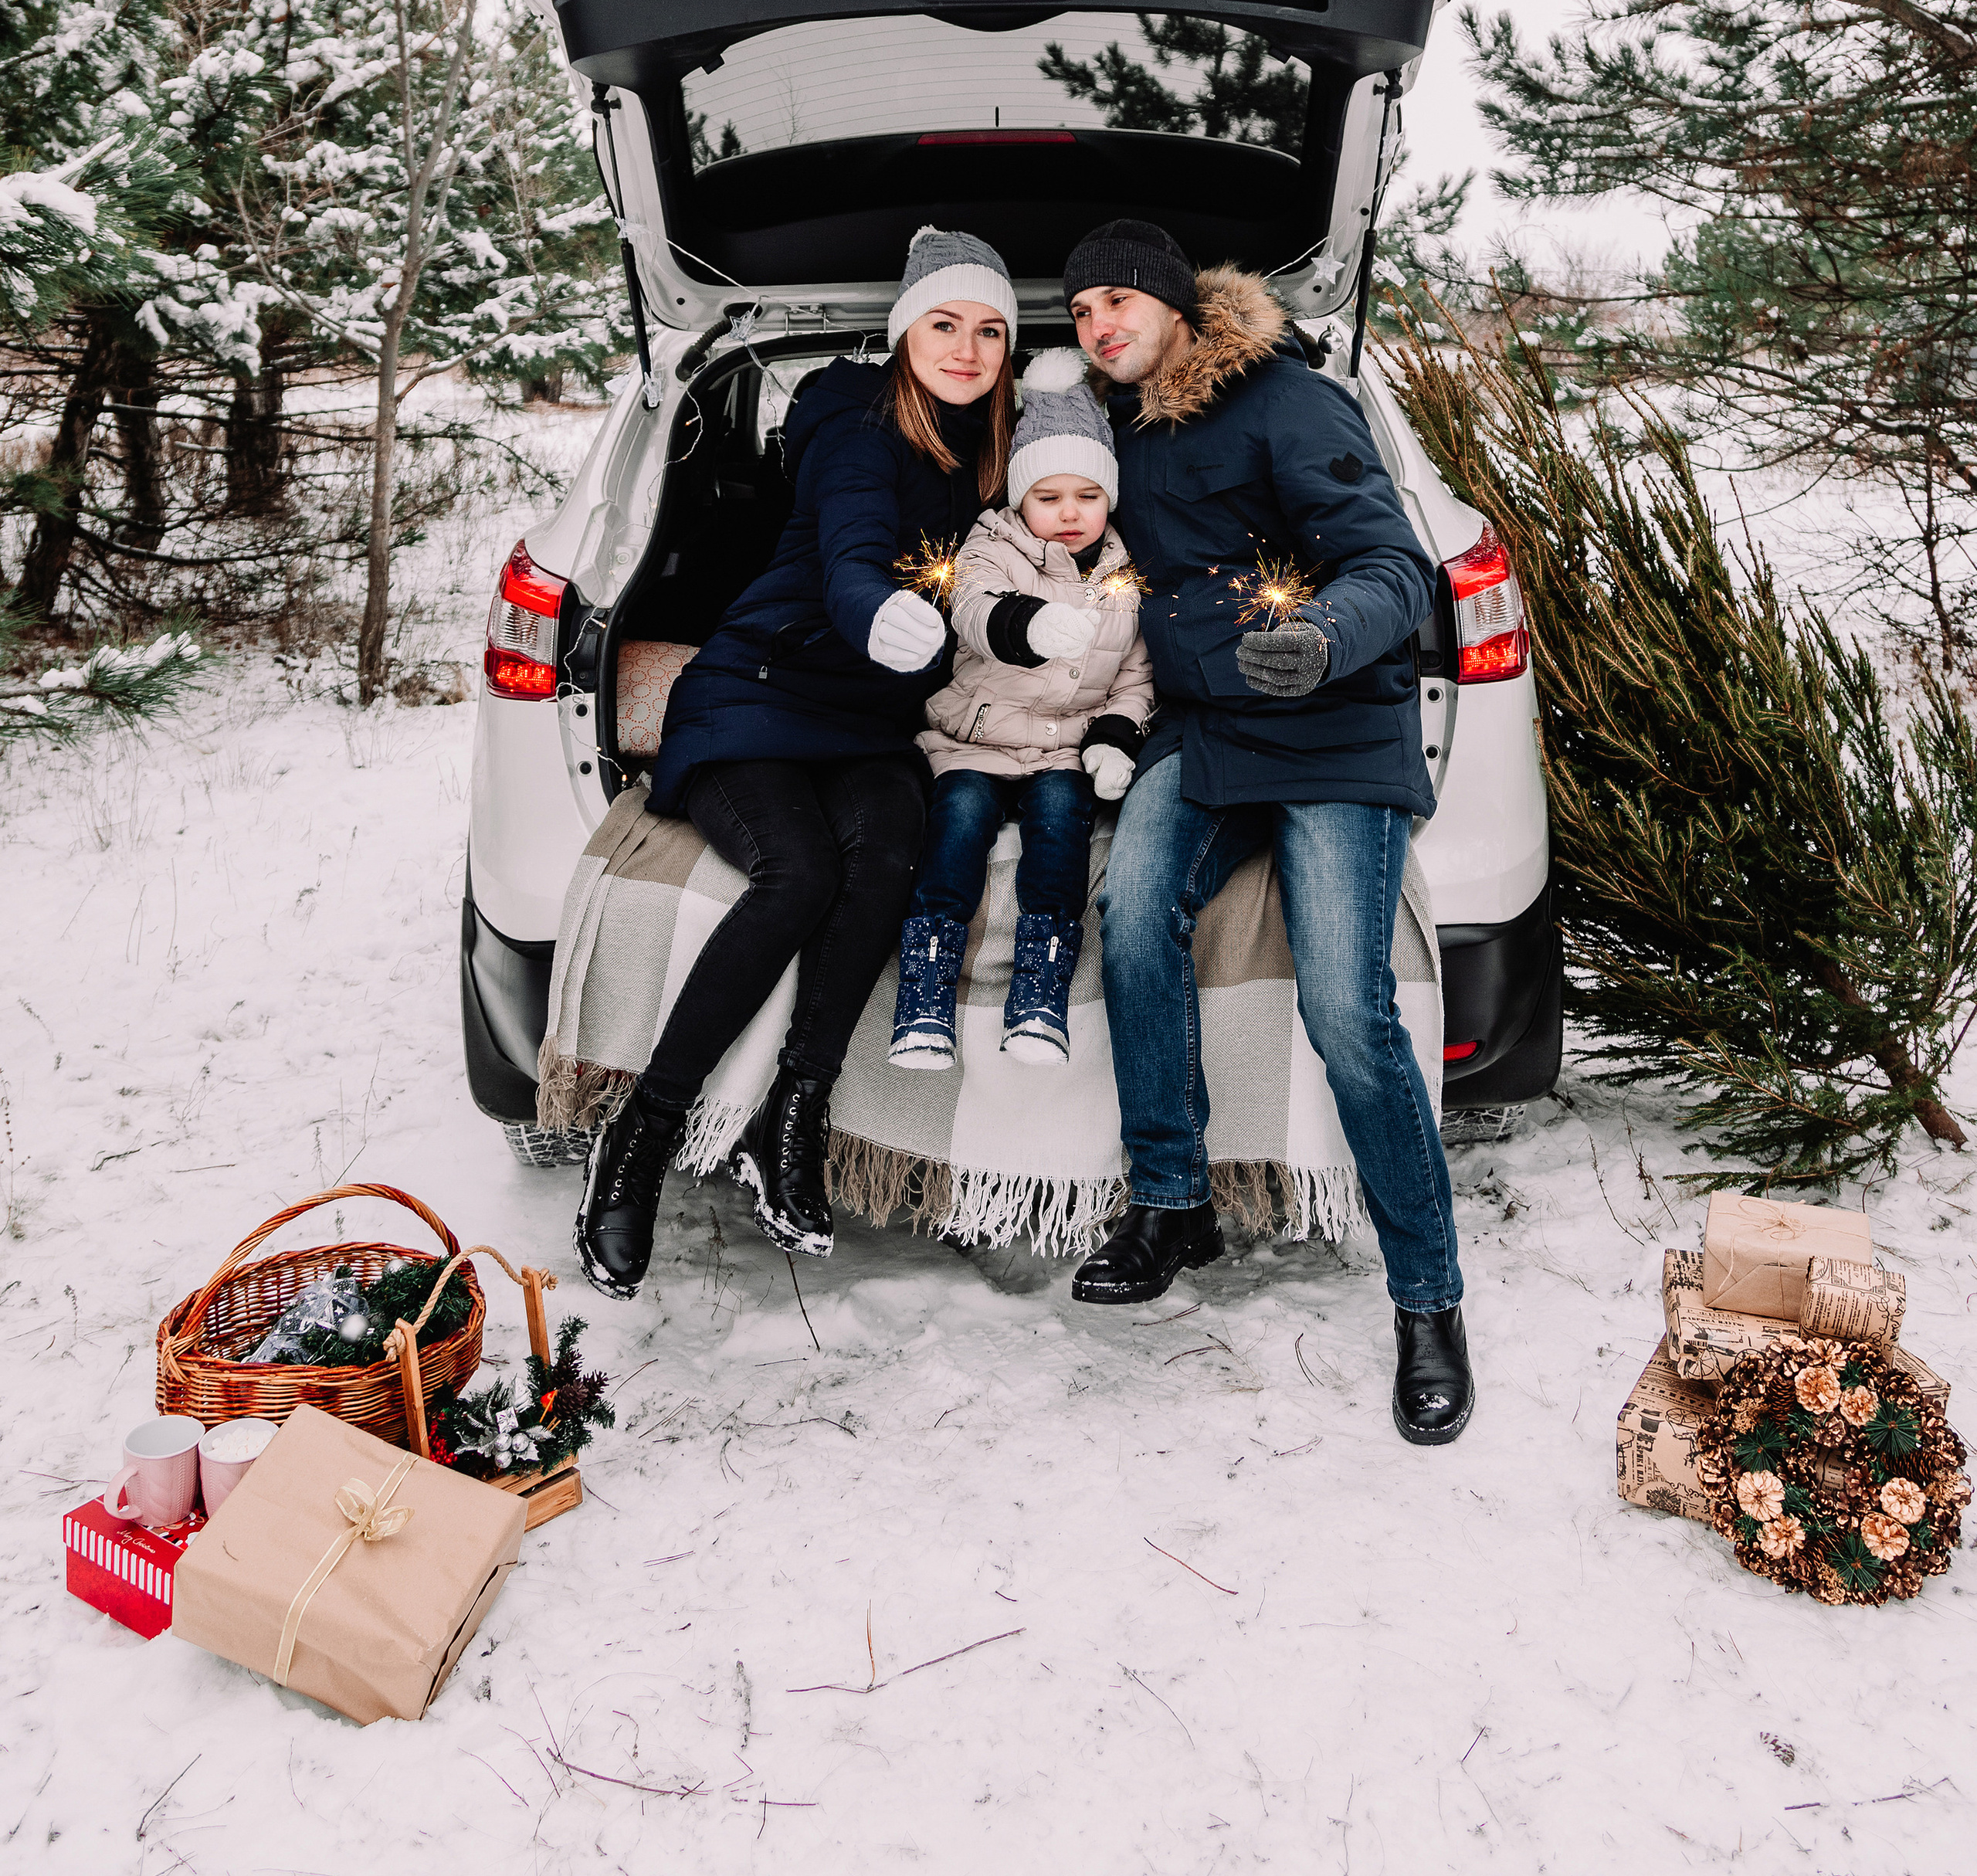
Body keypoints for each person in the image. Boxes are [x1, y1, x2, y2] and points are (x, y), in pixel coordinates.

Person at [1061, 217, 1473, 1448]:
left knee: (1346, 1008)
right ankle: (1172, 1202)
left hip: (1332, 726)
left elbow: (1395, 567)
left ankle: (1429, 1300)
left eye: (1119, 300)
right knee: (1134, 911)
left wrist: (1322, 636)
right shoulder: (1112, 434)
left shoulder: (1290, 402)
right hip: (1208, 731)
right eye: (1081, 312)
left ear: (1177, 305)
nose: (1099, 325)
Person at [573, 226, 1018, 1294]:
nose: (966, 349)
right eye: (944, 323)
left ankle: (794, 1113)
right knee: (800, 872)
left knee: (891, 848)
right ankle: (641, 1135)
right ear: (905, 332)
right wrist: (875, 613)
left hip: (870, 724)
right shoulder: (857, 425)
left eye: (990, 330)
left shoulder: (999, 457)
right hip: (758, 698)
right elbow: (850, 546)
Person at [887, 348, 1155, 1071]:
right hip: (976, 740)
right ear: (1019, 499)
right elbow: (973, 610)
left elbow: (1136, 677)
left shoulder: (1125, 576)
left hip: (1066, 748)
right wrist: (1028, 625)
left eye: (1088, 496)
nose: (1069, 513)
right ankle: (925, 998)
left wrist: (1112, 739)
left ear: (1109, 499)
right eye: (1048, 496)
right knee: (959, 825)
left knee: (1062, 831)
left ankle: (1039, 996)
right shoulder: (993, 545)